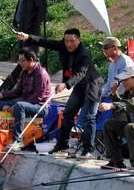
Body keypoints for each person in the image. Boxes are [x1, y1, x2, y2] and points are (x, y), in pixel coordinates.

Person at [17, 28, 103, 156]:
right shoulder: (63, 46)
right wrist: (28, 37)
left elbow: (81, 73)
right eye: (67, 41)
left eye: (72, 41)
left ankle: (88, 149)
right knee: (67, 114)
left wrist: (66, 84)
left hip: (92, 86)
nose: (69, 44)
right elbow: (46, 42)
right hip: (79, 87)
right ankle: (62, 144)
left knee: (89, 118)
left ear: (79, 40)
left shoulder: (84, 54)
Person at [0, 48, 51, 140]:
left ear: (31, 60)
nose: (20, 63)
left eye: (23, 61)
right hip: (24, 103)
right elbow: (17, 92)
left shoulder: (41, 74)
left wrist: (14, 106)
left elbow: (37, 97)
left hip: (40, 106)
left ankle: (18, 139)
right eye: (19, 61)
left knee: (19, 106)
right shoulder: (24, 72)